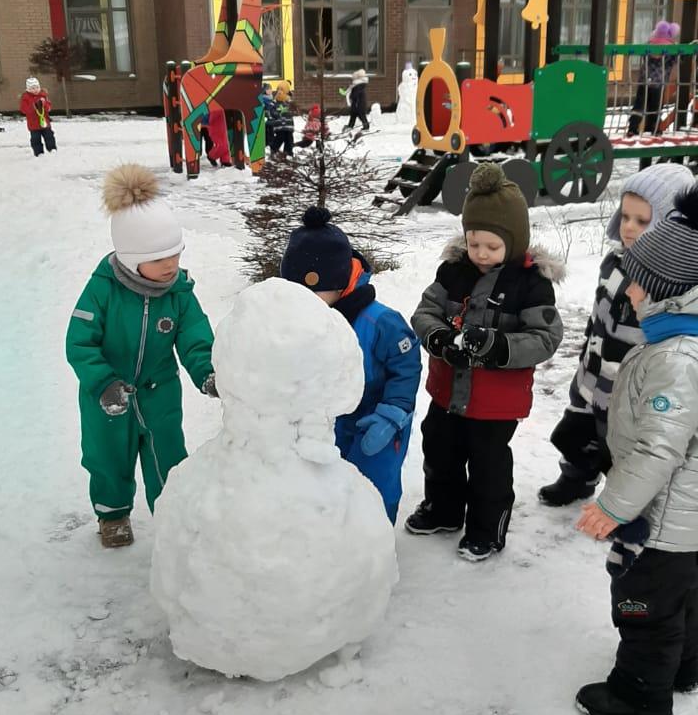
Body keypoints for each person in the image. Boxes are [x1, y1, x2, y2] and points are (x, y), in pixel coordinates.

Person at [576, 183, 698, 715]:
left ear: (670, 292)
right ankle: (684, 668)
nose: (629, 297)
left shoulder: (677, 358)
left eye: (639, 289)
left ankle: (639, 694)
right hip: (684, 517)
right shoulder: (678, 344)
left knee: (643, 602)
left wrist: (616, 507)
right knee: (682, 597)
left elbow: (658, 445)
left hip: (664, 516)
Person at [408, 163, 564, 561]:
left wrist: (497, 346)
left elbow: (545, 338)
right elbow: (425, 312)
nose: (480, 254)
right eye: (474, 243)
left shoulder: (530, 284)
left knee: (488, 467)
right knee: (439, 450)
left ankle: (486, 530)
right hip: (448, 393)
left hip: (495, 403)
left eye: (492, 247)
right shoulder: (453, 271)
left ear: (513, 242)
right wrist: (440, 338)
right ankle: (443, 510)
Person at [66, 163, 217, 548]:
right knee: (108, 458)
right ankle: (112, 514)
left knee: (167, 456)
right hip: (107, 394)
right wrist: (102, 382)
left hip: (159, 391)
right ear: (132, 259)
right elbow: (80, 342)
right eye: (160, 259)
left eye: (176, 255)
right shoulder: (102, 290)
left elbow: (195, 337)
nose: (171, 266)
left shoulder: (179, 292)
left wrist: (207, 372)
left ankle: (172, 516)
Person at [540, 163, 695, 507]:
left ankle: (623, 503)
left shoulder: (666, 283)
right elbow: (598, 315)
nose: (628, 228)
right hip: (594, 372)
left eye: (642, 221)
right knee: (578, 434)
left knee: (620, 448)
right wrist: (586, 355)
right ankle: (576, 477)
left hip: (630, 390)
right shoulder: (614, 262)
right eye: (625, 217)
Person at [280, 207, 421, 522]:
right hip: (333, 418)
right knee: (331, 481)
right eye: (301, 291)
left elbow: (406, 366)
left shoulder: (381, 321)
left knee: (374, 483)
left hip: (379, 417)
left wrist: (392, 413)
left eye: (318, 290)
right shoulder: (298, 316)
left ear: (341, 281)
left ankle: (377, 542)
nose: (310, 299)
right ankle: (339, 539)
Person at [626, 20, 680, 137]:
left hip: (644, 81)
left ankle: (633, 127)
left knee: (639, 105)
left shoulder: (649, 46)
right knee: (656, 106)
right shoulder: (670, 52)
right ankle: (653, 128)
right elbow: (677, 60)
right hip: (659, 83)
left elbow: (643, 55)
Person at [20, 77, 56, 156]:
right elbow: (24, 110)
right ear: (28, 89)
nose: (35, 90)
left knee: (49, 136)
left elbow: (48, 108)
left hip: (45, 122)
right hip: (33, 124)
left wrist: (44, 104)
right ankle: (38, 153)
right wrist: (33, 106)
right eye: (33, 88)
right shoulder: (25, 98)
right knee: (35, 139)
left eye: (37, 87)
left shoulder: (43, 96)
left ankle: (52, 149)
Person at [342, 69, 370, 133]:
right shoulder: (359, 85)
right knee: (353, 115)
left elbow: (355, 95)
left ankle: (366, 126)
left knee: (361, 115)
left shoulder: (358, 86)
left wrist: (351, 97)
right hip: (358, 103)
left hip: (358, 104)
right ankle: (350, 126)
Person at [271, 81, 295, 156]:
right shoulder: (275, 101)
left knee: (289, 139)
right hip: (279, 124)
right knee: (280, 137)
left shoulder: (289, 101)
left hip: (288, 124)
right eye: (279, 89)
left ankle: (288, 153)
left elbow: (294, 111)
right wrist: (276, 115)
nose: (280, 92)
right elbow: (272, 110)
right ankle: (274, 149)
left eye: (282, 90)